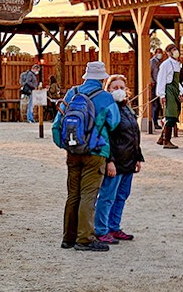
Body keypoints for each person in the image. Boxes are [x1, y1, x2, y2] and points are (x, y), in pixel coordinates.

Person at [53, 60, 122, 252]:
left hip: (73, 151)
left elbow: (57, 123)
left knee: (73, 195)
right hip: (96, 151)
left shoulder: (72, 93)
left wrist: (67, 144)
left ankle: (68, 237)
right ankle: (84, 239)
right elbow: (114, 122)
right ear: (102, 78)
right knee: (89, 195)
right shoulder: (106, 97)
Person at [95, 74, 144, 245]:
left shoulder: (127, 109)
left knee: (122, 195)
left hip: (129, 160)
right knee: (107, 196)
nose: (119, 90)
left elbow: (134, 134)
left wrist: (138, 157)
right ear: (107, 90)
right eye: (114, 87)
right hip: (115, 161)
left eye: (121, 87)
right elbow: (105, 136)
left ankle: (114, 227)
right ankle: (101, 230)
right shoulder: (108, 109)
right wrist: (109, 160)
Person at [155, 45, 183, 148]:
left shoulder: (177, 64)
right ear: (168, 53)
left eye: (176, 50)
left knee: (175, 114)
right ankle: (167, 141)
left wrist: (180, 92)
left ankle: (161, 138)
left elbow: (176, 81)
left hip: (175, 90)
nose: (176, 52)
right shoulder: (165, 64)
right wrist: (162, 94)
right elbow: (161, 79)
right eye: (173, 50)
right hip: (168, 90)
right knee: (170, 115)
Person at [147, 45, 165, 134]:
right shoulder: (152, 62)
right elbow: (149, 72)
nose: (159, 54)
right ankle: (154, 122)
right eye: (158, 52)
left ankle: (156, 121)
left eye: (160, 52)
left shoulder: (161, 62)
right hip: (155, 84)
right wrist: (152, 81)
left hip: (160, 84)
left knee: (158, 104)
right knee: (155, 104)